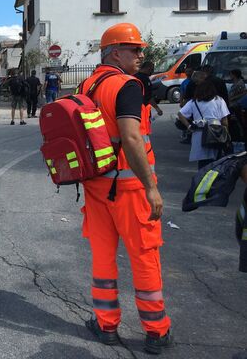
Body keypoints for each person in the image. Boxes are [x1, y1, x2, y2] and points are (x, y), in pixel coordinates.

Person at [79, 23, 173, 355]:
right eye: (135, 50)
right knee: (144, 256)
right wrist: (151, 187)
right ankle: (155, 331)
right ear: (115, 52)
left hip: (96, 187)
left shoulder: (88, 85)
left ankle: (106, 326)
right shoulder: (127, 86)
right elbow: (132, 137)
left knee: (103, 257)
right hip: (131, 189)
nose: (141, 55)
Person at [177, 80, 230, 169]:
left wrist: (188, 126)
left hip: (199, 135)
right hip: (216, 135)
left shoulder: (194, 102)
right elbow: (225, 122)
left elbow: (180, 114)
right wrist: (226, 136)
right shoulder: (219, 100)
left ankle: (203, 181)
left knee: (203, 165)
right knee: (216, 164)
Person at [134, 61, 164, 128]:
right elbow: (149, 97)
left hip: (134, 110)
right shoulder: (145, 79)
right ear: (148, 68)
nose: (152, 72)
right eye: (152, 69)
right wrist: (157, 108)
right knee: (144, 131)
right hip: (143, 110)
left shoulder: (134, 76)